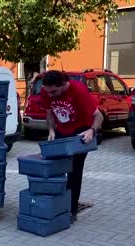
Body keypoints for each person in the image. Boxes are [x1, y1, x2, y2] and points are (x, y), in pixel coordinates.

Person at [40, 70, 103, 223]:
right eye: (47, 91)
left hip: (80, 132)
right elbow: (49, 113)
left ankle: (71, 210)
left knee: (74, 171)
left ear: (63, 84)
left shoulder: (78, 90)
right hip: (61, 131)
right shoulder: (46, 91)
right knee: (55, 167)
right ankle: (54, 204)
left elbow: (99, 116)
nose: (50, 95)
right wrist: (51, 130)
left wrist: (91, 130)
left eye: (53, 91)